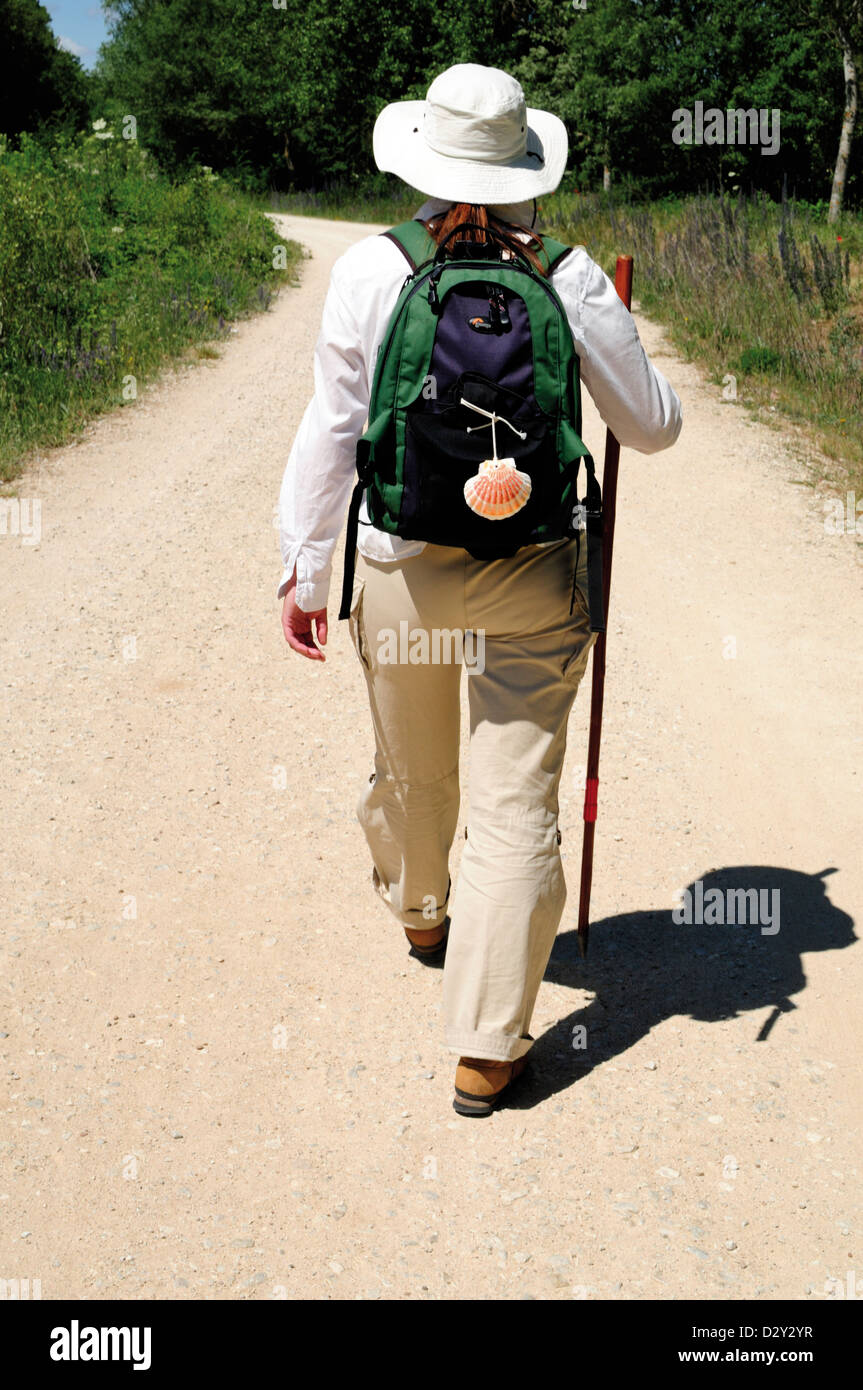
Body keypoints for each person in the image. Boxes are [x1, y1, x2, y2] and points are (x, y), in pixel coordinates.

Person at [278, 64, 682, 1116]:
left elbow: (330, 428)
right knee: (515, 801)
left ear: (419, 154)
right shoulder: (570, 272)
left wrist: (302, 564)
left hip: (400, 564)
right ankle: (486, 1048)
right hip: (534, 572)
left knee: (413, 762)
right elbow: (649, 427)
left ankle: (420, 908)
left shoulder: (373, 269)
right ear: (520, 165)